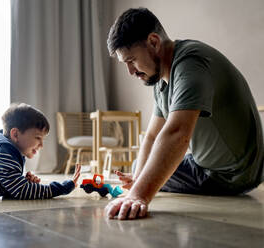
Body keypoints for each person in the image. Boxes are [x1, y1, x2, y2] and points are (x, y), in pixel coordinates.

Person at [105, 7, 264, 220]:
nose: (131, 71)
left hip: (232, 175)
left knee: (145, 172)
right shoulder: (161, 80)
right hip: (208, 167)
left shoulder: (190, 63)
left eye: (131, 60)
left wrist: (138, 195)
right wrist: (137, 181)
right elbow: (152, 136)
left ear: (154, 41)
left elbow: (177, 133)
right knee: (139, 168)